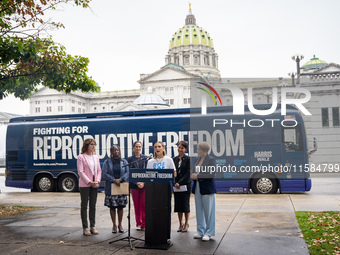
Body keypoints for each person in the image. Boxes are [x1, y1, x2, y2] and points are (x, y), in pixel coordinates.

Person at [146, 141, 176, 240]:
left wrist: (164, 176)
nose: (157, 148)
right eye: (155, 147)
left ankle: (165, 234)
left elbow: (174, 174)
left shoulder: (168, 160)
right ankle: (154, 232)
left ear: (163, 148)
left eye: (159, 146)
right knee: (153, 211)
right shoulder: (150, 162)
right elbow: (148, 175)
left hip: (165, 189)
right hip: (153, 190)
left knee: (165, 210)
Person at [192, 142, 216, 241]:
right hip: (197, 186)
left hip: (207, 188)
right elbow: (193, 171)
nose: (197, 151)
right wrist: (193, 174)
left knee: (209, 211)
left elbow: (212, 174)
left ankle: (209, 232)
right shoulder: (197, 159)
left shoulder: (211, 160)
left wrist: (198, 176)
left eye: (198, 149)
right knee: (199, 209)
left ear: (204, 151)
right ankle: (200, 231)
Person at [77, 138, 102, 236]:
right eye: (91, 144)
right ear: (86, 145)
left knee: (93, 205)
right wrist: (89, 182)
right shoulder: (81, 157)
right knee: (84, 205)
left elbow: (99, 170)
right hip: (85, 184)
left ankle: (92, 226)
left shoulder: (96, 157)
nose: (93, 146)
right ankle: (85, 227)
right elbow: (80, 171)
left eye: (94, 144)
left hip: (95, 184)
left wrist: (97, 181)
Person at [102, 145, 129, 234]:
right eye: (114, 150)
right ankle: (114, 224)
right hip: (111, 187)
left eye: (117, 150)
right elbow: (104, 173)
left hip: (121, 187)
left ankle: (120, 224)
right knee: (112, 207)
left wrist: (121, 179)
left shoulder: (124, 161)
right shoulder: (107, 162)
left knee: (121, 207)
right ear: (111, 152)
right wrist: (113, 180)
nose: (116, 151)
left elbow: (127, 172)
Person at [127, 141, 148, 231]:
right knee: (136, 205)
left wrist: (143, 182)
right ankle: (138, 223)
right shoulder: (129, 159)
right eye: (136, 146)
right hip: (134, 185)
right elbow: (129, 173)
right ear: (133, 147)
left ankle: (144, 223)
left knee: (143, 204)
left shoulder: (145, 158)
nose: (138, 148)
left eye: (139, 147)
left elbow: (147, 171)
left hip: (144, 185)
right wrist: (136, 183)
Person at [172, 141, 191, 233]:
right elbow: (172, 172)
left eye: (182, 148)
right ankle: (180, 223)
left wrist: (179, 183)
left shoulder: (188, 159)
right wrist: (175, 183)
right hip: (176, 186)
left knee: (185, 205)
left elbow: (188, 173)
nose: (180, 149)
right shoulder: (174, 159)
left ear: (186, 149)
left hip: (185, 185)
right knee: (178, 205)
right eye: (179, 147)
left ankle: (186, 224)